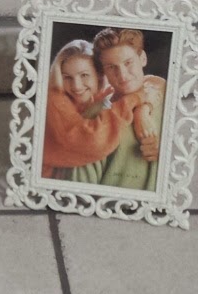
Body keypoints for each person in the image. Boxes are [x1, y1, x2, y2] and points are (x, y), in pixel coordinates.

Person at [42, 39, 147, 182]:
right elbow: (92, 141)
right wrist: (134, 99)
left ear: (99, 74)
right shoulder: (54, 98)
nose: (76, 86)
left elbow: (150, 83)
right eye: (67, 78)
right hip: (48, 183)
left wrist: (143, 109)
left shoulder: (101, 91)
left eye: (84, 75)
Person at [93, 28, 165, 191]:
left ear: (143, 58)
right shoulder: (96, 114)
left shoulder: (169, 97)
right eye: (112, 67)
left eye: (128, 63)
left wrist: (142, 110)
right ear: (103, 71)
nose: (123, 75)